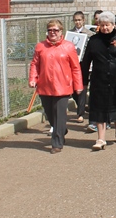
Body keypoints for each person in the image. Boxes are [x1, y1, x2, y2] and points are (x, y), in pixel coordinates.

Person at [81, 11, 116, 150]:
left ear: (113, 25)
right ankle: (100, 139)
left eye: (108, 25)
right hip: (99, 80)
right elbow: (86, 60)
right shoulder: (94, 41)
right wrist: (83, 79)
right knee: (99, 108)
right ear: (98, 25)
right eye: (102, 25)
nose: (105, 28)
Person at [28, 20, 83, 154]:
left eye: (55, 30)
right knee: (50, 114)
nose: (52, 32)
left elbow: (75, 68)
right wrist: (33, 79)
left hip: (63, 86)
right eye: (50, 30)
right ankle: (61, 129)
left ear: (61, 32)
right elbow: (35, 64)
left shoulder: (69, 47)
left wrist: (78, 85)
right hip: (45, 85)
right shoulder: (40, 46)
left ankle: (57, 142)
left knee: (59, 114)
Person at [69, 11, 94, 124]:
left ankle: (80, 113)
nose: (78, 22)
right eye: (76, 20)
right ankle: (82, 104)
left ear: (83, 21)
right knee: (74, 88)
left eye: (79, 20)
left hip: (85, 63)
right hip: (72, 64)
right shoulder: (70, 33)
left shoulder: (89, 34)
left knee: (83, 86)